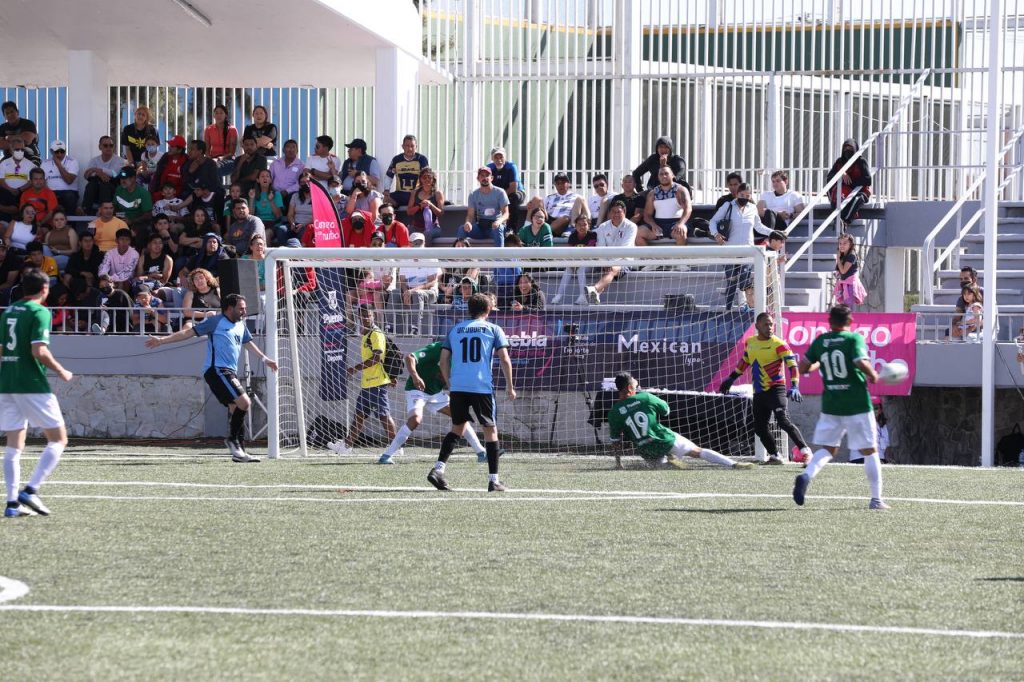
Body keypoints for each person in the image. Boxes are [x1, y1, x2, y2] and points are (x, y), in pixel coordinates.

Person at [145, 294, 277, 462]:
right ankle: (232, 440)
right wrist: (162, 340)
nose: (244, 311)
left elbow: (247, 342)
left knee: (234, 407)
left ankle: (240, 452)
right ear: (230, 308)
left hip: (229, 372)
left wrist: (265, 359)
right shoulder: (215, 321)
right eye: (241, 308)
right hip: (217, 370)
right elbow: (188, 333)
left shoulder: (241, 324)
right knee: (245, 402)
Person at [793, 304, 887, 510]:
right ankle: (876, 499)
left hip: (832, 405)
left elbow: (803, 367)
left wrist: (819, 363)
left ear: (830, 322)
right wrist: (873, 374)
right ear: (850, 321)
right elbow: (860, 361)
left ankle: (806, 475)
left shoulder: (821, 341)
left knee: (827, 449)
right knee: (870, 450)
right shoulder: (853, 339)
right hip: (857, 403)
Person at [1, 269, 73, 518]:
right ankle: (31, 490)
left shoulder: (8, 311)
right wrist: (62, 371)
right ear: (44, 289)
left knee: (14, 445)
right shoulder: (40, 311)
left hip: (7, 383)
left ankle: (12, 504)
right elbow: (39, 351)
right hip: (31, 383)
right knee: (58, 439)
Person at [427, 293, 517, 492]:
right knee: (490, 429)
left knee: (457, 426)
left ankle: (438, 469)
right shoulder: (493, 329)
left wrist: (450, 383)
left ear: (469, 309)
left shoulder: (455, 329)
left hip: (458, 386)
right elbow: (504, 359)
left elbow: (442, 361)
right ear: (489, 309)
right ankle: (494, 480)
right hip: (481, 386)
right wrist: (510, 386)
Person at [719, 312, 814, 465]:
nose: (769, 327)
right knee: (759, 428)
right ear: (757, 326)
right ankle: (776, 456)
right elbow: (745, 361)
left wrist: (795, 385)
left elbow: (792, 365)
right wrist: (731, 378)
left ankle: (805, 451)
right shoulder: (750, 342)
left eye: (771, 324)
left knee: (783, 421)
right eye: (766, 324)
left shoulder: (779, 344)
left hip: (776, 390)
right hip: (759, 393)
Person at [609, 371, 751, 470]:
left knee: (661, 467)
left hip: (646, 450)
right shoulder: (645, 397)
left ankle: (668, 462)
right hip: (663, 439)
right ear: (629, 387)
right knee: (697, 451)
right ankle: (733, 464)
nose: (636, 382)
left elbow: (616, 441)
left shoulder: (614, 412)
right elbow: (666, 410)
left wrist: (618, 463)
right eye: (634, 380)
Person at [378, 339, 488, 465]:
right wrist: (415, 376)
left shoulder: (461, 358)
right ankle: (386, 455)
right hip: (417, 389)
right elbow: (409, 358)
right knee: (415, 420)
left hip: (435, 393)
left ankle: (481, 453)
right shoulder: (437, 348)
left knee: (460, 416)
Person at [327, 305, 399, 456]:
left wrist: (354, 369)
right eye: (363, 315)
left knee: (384, 416)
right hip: (368, 383)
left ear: (373, 316)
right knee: (359, 416)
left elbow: (377, 358)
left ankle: (396, 447)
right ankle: (346, 447)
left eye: (369, 315)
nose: (366, 318)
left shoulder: (376, 334)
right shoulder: (366, 334)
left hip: (378, 383)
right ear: (359, 317)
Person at [710, 182, 762, 311]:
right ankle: (728, 310)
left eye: (747, 195)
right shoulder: (728, 206)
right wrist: (716, 234)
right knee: (732, 281)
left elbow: (759, 226)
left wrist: (773, 232)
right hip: (730, 250)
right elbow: (713, 221)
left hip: (747, 251)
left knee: (745, 280)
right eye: (742, 194)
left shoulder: (752, 208)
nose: (744, 197)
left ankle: (749, 308)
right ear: (737, 194)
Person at [584, 201, 637, 305]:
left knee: (612, 269)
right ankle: (591, 294)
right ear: (609, 213)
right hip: (605, 261)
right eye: (613, 212)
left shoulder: (631, 226)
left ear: (624, 212)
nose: (616, 214)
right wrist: (605, 263)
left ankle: (595, 289)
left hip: (625, 261)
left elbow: (624, 249)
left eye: (619, 212)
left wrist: (610, 263)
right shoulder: (603, 227)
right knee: (582, 267)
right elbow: (600, 248)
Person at [825, 138, 872, 227]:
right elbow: (829, 177)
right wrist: (841, 173)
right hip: (843, 191)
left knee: (858, 198)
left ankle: (845, 221)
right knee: (833, 191)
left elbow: (867, 179)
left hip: (859, 191)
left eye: (850, 148)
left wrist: (850, 183)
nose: (847, 150)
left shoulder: (861, 161)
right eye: (845, 148)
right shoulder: (839, 162)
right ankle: (837, 219)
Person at [550, 214, 596, 305]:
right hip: (577, 263)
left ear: (589, 225)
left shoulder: (593, 235)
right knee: (568, 268)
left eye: (584, 224)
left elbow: (589, 252)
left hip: (591, 263)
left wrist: (577, 261)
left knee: (581, 268)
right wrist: (573, 262)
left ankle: (583, 296)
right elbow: (569, 253)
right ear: (575, 226)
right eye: (579, 224)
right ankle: (559, 295)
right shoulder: (572, 236)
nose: (582, 227)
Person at [641, 166, 691, 245]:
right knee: (638, 233)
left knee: (681, 233)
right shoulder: (652, 193)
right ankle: (649, 257)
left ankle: (678, 257)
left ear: (672, 175)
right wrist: (653, 225)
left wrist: (681, 223)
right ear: (658, 177)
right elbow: (647, 214)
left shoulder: (681, 190)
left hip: (676, 223)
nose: (664, 176)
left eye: (666, 174)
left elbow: (688, 209)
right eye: (661, 174)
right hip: (658, 224)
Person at [463, 166, 509, 247]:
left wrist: (498, 222)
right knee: (461, 229)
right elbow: (470, 215)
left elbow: (506, 214)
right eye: (482, 176)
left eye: (487, 175)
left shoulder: (500, 192)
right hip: (481, 226)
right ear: (478, 178)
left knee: (498, 229)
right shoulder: (473, 195)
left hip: (496, 225)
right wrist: (468, 223)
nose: (485, 178)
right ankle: (461, 257)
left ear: (492, 178)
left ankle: (500, 258)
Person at [81, 136, 125, 214]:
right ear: (100, 147)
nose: (108, 147)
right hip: (96, 190)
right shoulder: (94, 160)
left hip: (112, 188)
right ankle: (85, 210)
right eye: (105, 145)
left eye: (111, 145)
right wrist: (99, 173)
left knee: (104, 184)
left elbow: (114, 174)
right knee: (92, 184)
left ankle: (103, 211)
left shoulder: (119, 160)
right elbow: (86, 175)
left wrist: (97, 170)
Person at [384, 134, 428, 208]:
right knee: (385, 201)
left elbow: (428, 177)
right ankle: (391, 218)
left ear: (416, 147)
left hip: (417, 194)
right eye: (407, 146)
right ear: (402, 146)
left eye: (412, 146)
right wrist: (386, 190)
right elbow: (389, 176)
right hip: (400, 194)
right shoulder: (396, 159)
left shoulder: (422, 159)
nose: (410, 149)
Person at [540, 171, 588, 237]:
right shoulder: (549, 197)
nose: (560, 185)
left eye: (562, 183)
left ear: (568, 184)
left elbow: (586, 213)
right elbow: (541, 210)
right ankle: (536, 231)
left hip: (567, 223)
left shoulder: (577, 197)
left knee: (565, 218)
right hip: (551, 221)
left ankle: (571, 228)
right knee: (537, 199)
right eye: (558, 183)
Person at [488, 146, 526, 229]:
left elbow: (513, 188)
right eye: (496, 157)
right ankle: (486, 227)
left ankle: (512, 229)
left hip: (516, 192)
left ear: (505, 157)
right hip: (498, 194)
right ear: (492, 159)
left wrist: (498, 197)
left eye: (501, 157)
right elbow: (486, 186)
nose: (499, 160)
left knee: (513, 198)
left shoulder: (511, 167)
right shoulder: (489, 168)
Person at [0, 137, 37, 221]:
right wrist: (10, 189)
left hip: (22, 193)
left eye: (22, 150)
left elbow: (31, 181)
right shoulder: (4, 163)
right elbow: (1, 180)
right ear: (11, 150)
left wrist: (20, 190)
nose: (20, 152)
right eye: (17, 149)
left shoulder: (30, 165)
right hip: (7, 194)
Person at [39, 140, 80, 216]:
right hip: (51, 192)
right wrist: (49, 192)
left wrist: (59, 165)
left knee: (69, 197)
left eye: (62, 151)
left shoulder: (72, 162)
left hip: (69, 192)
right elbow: (42, 182)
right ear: (51, 151)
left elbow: (69, 180)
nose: (60, 154)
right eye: (57, 152)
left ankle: (70, 225)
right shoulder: (45, 163)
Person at [406, 166, 445, 243]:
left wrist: (431, 205)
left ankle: (425, 255)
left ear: (433, 179)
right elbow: (409, 212)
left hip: (433, 228)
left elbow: (441, 213)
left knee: (426, 234)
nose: (427, 179)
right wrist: (419, 206)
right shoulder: (415, 193)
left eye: (429, 177)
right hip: (416, 227)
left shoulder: (437, 193)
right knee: (406, 231)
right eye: (424, 177)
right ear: (420, 179)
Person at [833, 233, 866, 310]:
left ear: (850, 245)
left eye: (845, 243)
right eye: (840, 243)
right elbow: (840, 271)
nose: (842, 245)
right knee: (845, 306)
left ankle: (849, 321)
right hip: (844, 284)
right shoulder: (842, 256)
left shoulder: (851, 256)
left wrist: (838, 258)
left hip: (850, 285)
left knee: (848, 307)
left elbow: (843, 271)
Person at [850, 398, 889, 464]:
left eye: (876, 408)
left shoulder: (883, 425)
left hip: (879, 458)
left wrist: (887, 459)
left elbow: (887, 445)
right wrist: (875, 460)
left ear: (880, 410)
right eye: (870, 407)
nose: (873, 410)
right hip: (860, 458)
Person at [204, 103, 239, 175]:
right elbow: (206, 150)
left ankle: (217, 186)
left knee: (215, 168)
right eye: (216, 113)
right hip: (213, 159)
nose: (218, 115)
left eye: (221, 113)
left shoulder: (232, 130)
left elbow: (232, 152)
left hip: (228, 159)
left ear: (226, 115)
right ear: (213, 115)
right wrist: (210, 159)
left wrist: (220, 158)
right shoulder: (208, 129)